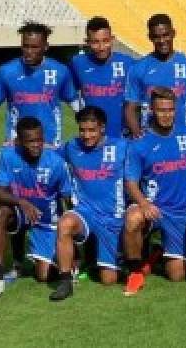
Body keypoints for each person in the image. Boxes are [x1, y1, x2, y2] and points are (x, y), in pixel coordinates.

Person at [0, 117, 73, 302]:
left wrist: (73, 240)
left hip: (48, 221)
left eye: (39, 140)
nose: (36, 145)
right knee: (1, 212)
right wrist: (21, 202)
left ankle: (46, 259)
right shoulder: (7, 156)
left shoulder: (56, 163)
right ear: (19, 141)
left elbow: (68, 200)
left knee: (43, 276)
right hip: (21, 212)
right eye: (30, 141)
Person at [122, 87, 186, 296]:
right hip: (153, 208)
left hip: (181, 211)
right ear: (151, 111)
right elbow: (130, 182)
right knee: (132, 217)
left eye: (170, 110)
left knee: (177, 275)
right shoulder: (139, 144)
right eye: (161, 110)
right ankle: (135, 273)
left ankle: (158, 253)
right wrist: (144, 203)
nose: (166, 115)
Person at [50, 106, 128, 301]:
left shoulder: (122, 147)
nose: (86, 135)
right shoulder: (71, 147)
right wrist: (19, 143)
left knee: (108, 280)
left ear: (103, 128)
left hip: (112, 217)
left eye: (91, 130)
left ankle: (117, 256)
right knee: (65, 223)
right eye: (82, 130)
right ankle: (65, 281)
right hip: (84, 212)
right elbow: (50, 152)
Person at [123, 13, 186, 136]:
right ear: (150, 37)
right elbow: (130, 108)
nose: (162, 41)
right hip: (151, 137)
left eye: (166, 35)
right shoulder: (139, 68)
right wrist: (138, 136)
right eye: (157, 37)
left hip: (184, 138)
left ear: (173, 33)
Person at [0, 21, 78, 147]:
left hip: (50, 143)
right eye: (25, 46)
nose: (28, 51)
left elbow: (75, 104)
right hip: (17, 143)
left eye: (34, 47)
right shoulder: (6, 71)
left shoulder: (60, 71)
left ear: (45, 46)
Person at [69, 16, 135, 140]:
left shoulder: (128, 63)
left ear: (112, 39)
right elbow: (69, 92)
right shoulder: (77, 63)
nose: (101, 47)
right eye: (95, 42)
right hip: (92, 137)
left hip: (122, 137)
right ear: (87, 42)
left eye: (105, 41)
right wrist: (80, 112)